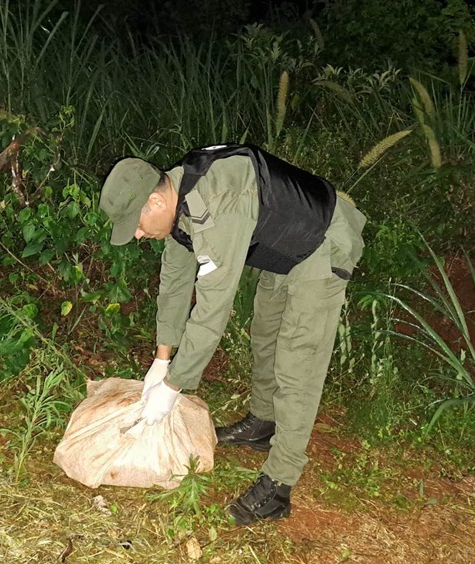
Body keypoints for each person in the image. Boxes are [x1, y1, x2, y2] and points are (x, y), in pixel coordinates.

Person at [99, 144, 366, 526]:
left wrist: (174, 386)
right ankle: (262, 423)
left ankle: (279, 484)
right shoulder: (179, 203)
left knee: (296, 363)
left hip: (322, 243)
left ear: (155, 201)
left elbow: (211, 312)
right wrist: (161, 359)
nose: (139, 235)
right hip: (282, 247)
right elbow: (174, 285)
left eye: (137, 225)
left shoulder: (216, 205)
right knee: (264, 335)